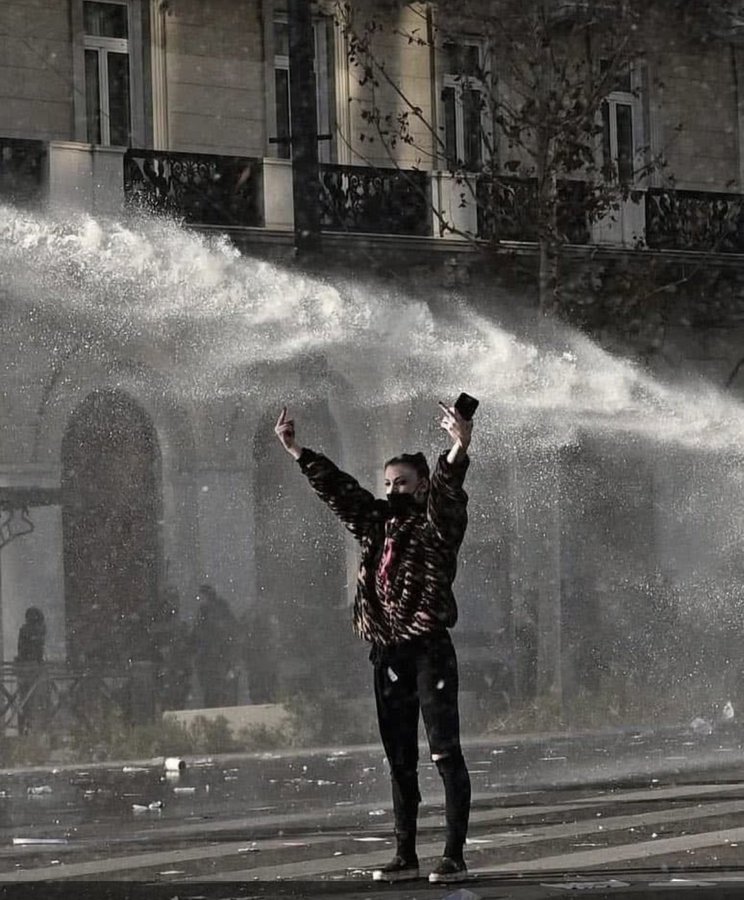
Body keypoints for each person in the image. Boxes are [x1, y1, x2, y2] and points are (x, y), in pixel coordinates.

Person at [275, 401, 473, 885]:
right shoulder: (376, 523)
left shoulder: (435, 524)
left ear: (421, 485)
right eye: (388, 483)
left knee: (444, 752)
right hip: (387, 652)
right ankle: (405, 853)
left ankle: (453, 855)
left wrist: (460, 446)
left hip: (428, 649)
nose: (392, 490)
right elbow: (341, 492)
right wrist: (297, 451)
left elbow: (449, 492)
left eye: (402, 483)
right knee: (399, 755)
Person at [192, 584, 239, 708]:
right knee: (216, 693)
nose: (200, 599)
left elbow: (201, 635)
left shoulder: (211, 612)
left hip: (215, 660)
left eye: (201, 596)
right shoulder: (218, 611)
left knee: (214, 693)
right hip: (215, 659)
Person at [16, 607, 46, 735]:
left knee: (23, 699)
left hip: (24, 668)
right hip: (33, 668)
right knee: (33, 699)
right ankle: (32, 725)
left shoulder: (24, 630)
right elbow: (38, 649)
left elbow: (21, 649)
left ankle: (23, 725)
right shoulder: (38, 630)